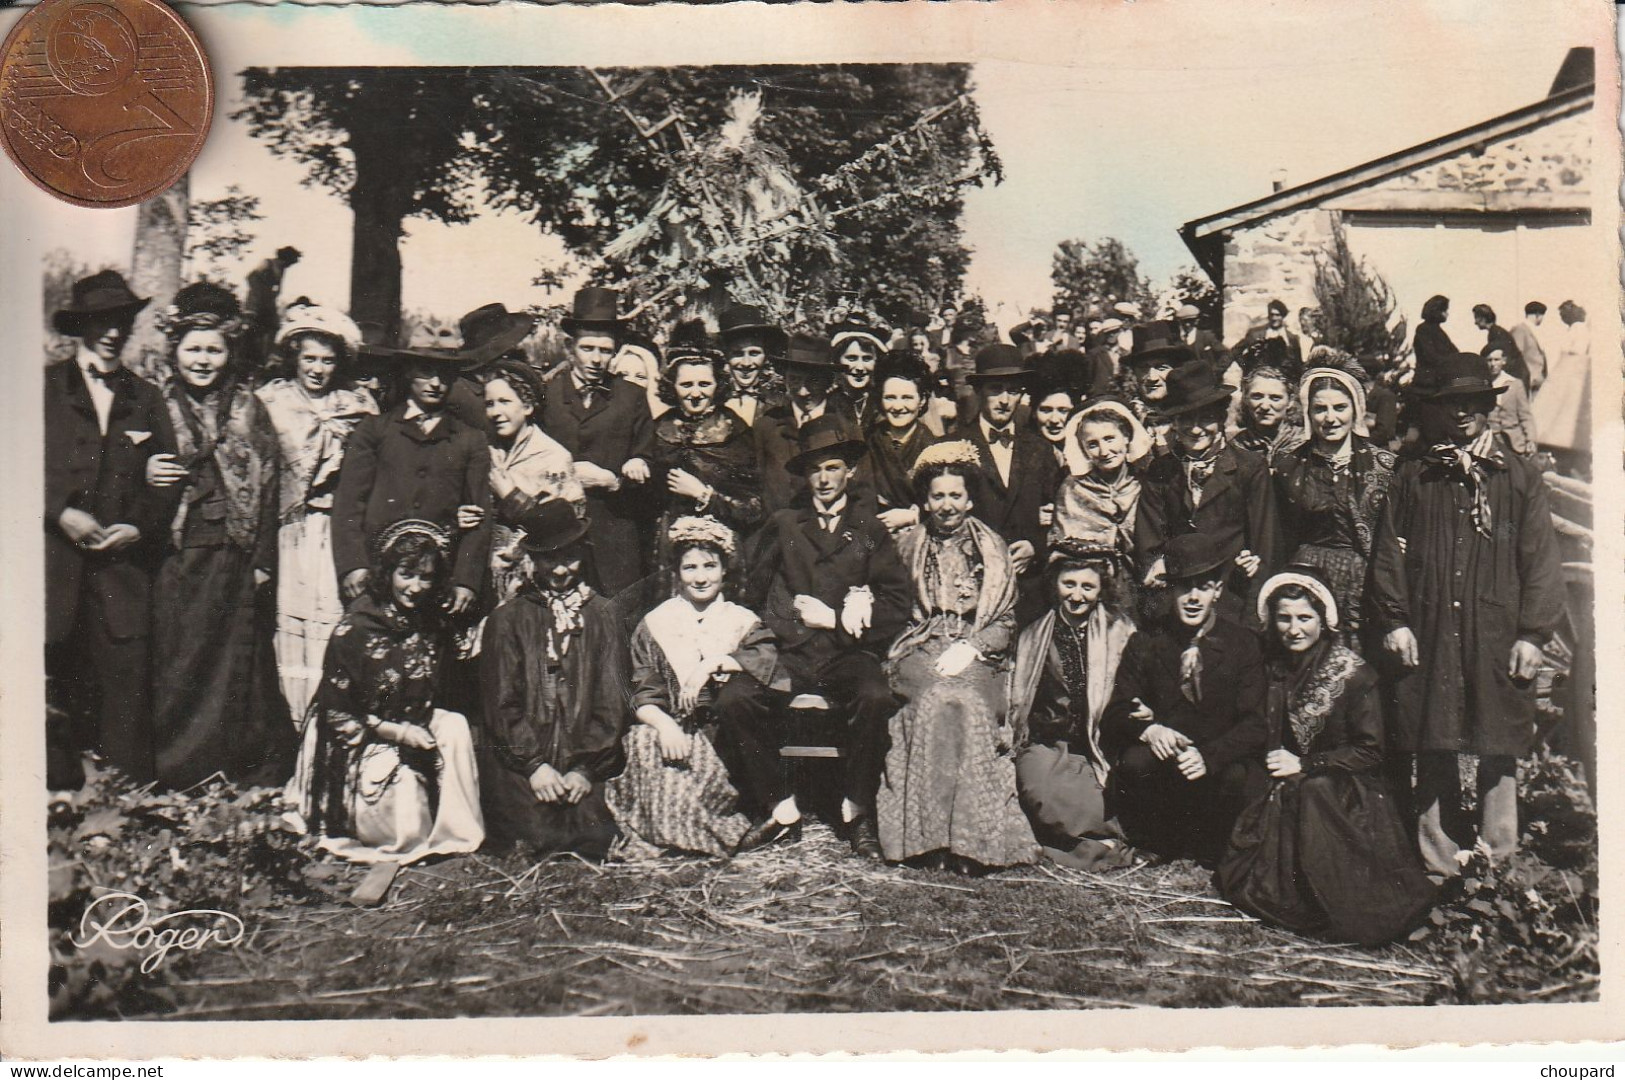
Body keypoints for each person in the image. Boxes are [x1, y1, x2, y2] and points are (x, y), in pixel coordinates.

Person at [1370, 352, 1565, 880]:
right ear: (1440, 409)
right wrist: (1396, 619)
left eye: (1473, 404)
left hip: (1495, 626)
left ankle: (1496, 856)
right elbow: (1387, 551)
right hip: (1431, 624)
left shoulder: (1517, 477)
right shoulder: (1416, 477)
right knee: (1431, 726)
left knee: (1496, 734)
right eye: (1453, 404)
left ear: (1488, 407)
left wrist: (1532, 633)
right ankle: (1438, 858)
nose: (1462, 415)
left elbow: (1541, 561)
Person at [1215, 570, 1435, 944]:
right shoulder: (1270, 666)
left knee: (1315, 792)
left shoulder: (1354, 674)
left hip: (1345, 788)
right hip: (1286, 783)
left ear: (1324, 620)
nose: (1294, 629)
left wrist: (1306, 765)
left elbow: (1369, 751)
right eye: (1284, 618)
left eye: (1305, 618)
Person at [727, 416, 910, 858]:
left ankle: (855, 809)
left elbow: (898, 605)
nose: (824, 479)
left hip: (846, 654)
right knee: (734, 699)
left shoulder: (870, 528)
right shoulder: (786, 524)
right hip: (789, 653)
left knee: (874, 697)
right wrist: (792, 623)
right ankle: (780, 808)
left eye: (832, 468)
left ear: (849, 472)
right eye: (815, 470)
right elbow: (754, 594)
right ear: (804, 476)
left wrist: (838, 622)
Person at [142, 282, 292, 791]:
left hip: (232, 553)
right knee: (179, 661)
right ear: (175, 349)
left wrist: (263, 559)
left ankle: (221, 773)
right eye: (193, 348)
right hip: (174, 556)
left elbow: (272, 487)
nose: (203, 360)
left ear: (229, 353)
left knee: (232, 666)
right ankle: (170, 770)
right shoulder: (150, 402)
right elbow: (121, 469)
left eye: (214, 350)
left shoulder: (251, 410)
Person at [875, 441, 1040, 872]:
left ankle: (973, 843)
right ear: (924, 501)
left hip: (977, 649)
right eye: (937, 496)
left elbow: (1005, 620)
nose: (946, 506)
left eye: (955, 496)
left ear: (969, 498)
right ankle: (927, 840)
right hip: (919, 645)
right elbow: (891, 608)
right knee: (934, 699)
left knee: (965, 702)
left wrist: (974, 645)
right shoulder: (907, 545)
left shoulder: (992, 547)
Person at [45, 270, 178, 789]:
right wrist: (59, 513)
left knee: (124, 699)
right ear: (81, 326)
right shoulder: (45, 387)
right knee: (54, 696)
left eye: (121, 321)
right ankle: (52, 812)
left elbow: (167, 478)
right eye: (101, 321)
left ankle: (125, 820)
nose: (112, 332)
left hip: (121, 576)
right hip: (55, 574)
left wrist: (138, 529)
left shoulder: (145, 397)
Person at [289, 520, 484, 863]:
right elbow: (337, 714)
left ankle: (457, 834)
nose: (416, 587)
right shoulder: (356, 628)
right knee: (406, 824)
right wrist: (399, 733)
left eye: (426, 577)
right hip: (355, 739)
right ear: (388, 572)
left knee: (454, 726)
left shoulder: (431, 622)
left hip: (410, 723)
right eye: (406, 574)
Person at [605, 517, 788, 858]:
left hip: (725, 738)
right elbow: (644, 694)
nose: (700, 577)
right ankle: (674, 832)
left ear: (724, 570)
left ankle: (699, 830)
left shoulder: (742, 621)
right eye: (690, 567)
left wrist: (712, 663)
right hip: (674, 728)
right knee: (644, 742)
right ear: (677, 572)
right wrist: (665, 726)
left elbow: (769, 665)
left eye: (709, 566)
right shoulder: (656, 623)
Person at [1101, 532, 1268, 865]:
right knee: (1136, 762)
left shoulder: (1242, 644)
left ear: (1218, 591)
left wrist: (1209, 755)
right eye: (1183, 587)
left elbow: (1255, 724)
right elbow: (1116, 711)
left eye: (1203, 587)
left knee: (1238, 776)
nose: (1193, 598)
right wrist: (1150, 732)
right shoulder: (1148, 641)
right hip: (1168, 768)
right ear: (1170, 590)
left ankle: (1212, 848)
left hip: (1214, 765)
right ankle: (1157, 843)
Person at [479, 500, 630, 859]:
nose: (561, 570)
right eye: (549, 559)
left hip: (588, 760)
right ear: (531, 559)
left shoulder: (604, 615)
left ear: (582, 552)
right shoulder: (507, 620)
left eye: (569, 557)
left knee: (591, 833)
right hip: (523, 762)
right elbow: (501, 704)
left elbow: (612, 703)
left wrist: (583, 769)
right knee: (534, 836)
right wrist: (534, 766)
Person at [256, 301, 379, 721]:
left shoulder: (358, 405)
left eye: (327, 360)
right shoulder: (270, 402)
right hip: (286, 530)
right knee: (289, 623)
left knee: (330, 619)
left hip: (335, 530)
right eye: (309, 358)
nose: (317, 369)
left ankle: (330, 722)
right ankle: (291, 727)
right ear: (294, 357)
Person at [332, 342, 493, 619]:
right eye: (426, 372)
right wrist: (353, 565)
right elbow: (349, 504)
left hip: (436, 580)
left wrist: (466, 580)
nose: (435, 383)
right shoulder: (375, 430)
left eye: (444, 375)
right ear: (408, 373)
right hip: (376, 571)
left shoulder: (470, 439)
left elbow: (480, 516)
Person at [1006, 541, 1137, 869]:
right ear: (1055, 585)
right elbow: (1017, 696)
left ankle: (1091, 841)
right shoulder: (1035, 634)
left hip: (1102, 744)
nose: (1077, 596)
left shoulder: (1120, 632)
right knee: (1041, 794)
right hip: (1049, 742)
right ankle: (1099, 841)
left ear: (1101, 590)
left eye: (1087, 587)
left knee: (1111, 796)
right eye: (1069, 584)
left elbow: (1136, 686)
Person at [1135, 359, 1279, 620]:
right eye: (1186, 419)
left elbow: (1263, 547)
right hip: (1176, 599)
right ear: (1174, 423)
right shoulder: (1161, 469)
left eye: (1206, 418)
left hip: (1231, 599)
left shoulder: (1249, 468)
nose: (1196, 428)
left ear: (1222, 418)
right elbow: (1148, 540)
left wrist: (1252, 617)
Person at [539, 287, 655, 596]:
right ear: (569, 347)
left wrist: (621, 476)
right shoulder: (545, 396)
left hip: (614, 535)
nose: (596, 359)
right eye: (587, 348)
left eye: (605, 350)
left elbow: (650, 457)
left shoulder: (631, 396)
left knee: (616, 623)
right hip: (557, 534)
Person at [1272, 366, 1394, 654]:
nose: (1330, 418)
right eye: (1320, 409)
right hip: (1307, 576)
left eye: (1339, 407)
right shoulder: (1289, 465)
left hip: (1364, 580)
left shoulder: (1384, 465)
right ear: (1308, 413)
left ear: (1356, 409)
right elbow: (1281, 532)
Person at [459, 358, 584, 610]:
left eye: (505, 402)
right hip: (480, 573)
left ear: (527, 406)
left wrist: (512, 497)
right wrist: (460, 515)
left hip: (532, 578)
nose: (495, 412)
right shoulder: (483, 449)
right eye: (489, 404)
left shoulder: (552, 456)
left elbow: (569, 523)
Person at [951, 344, 1058, 582]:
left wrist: (1035, 546)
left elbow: (1058, 514)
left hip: (1028, 583)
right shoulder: (953, 446)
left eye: (1013, 391)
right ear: (978, 391)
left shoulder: (1040, 449)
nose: (1005, 400)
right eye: (996, 389)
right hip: (971, 578)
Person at [647, 339, 764, 556]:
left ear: (717, 385)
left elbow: (753, 508)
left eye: (704, 384)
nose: (695, 393)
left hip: (720, 545)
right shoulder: (659, 429)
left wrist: (703, 495)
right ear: (672, 385)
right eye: (686, 385)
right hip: (666, 546)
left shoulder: (735, 431)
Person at [754, 332, 863, 515]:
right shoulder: (767, 427)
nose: (803, 392)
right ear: (786, 380)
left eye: (813, 381)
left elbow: (862, 493)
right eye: (795, 380)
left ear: (828, 381)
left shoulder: (847, 429)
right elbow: (756, 488)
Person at [865, 356, 940, 532]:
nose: (898, 407)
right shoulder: (868, 441)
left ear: (921, 400)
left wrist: (914, 515)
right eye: (890, 398)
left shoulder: (935, 448)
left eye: (907, 398)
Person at [1531, 301, 1591, 476]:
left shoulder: (1579, 329)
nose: (1562, 317)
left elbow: (1577, 354)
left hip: (1572, 377)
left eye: (1563, 313)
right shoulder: (1573, 329)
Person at [1118, 321, 1186, 458]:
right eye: (1143, 368)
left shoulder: (1191, 417)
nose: (1152, 377)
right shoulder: (1124, 419)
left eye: (1161, 367)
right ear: (1134, 373)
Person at [717, 304, 787, 429]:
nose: (746, 363)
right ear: (726, 355)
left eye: (754, 353)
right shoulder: (713, 401)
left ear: (765, 355)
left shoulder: (780, 403)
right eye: (738, 353)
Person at [243, 245, 302, 373]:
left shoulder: (282, 269)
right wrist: (262, 293)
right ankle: (249, 363)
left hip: (268, 305)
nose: (290, 265)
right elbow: (251, 277)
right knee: (251, 333)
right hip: (256, 304)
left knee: (273, 330)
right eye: (290, 261)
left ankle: (266, 362)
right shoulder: (267, 263)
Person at [1232, 366, 1304, 466]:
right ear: (1245, 399)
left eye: (1275, 398)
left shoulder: (1305, 443)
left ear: (1290, 401)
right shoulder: (1236, 446)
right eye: (1257, 397)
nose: (1265, 406)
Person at [829, 316, 889, 429]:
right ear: (837, 362)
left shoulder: (884, 403)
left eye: (867, 359)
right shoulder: (828, 405)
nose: (860, 367)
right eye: (851, 358)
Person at [1234, 299, 1303, 383]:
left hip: (1283, 381)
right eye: (1271, 315)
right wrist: (1246, 366)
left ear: (1283, 316)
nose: (1274, 318)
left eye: (1277, 315)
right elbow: (1235, 351)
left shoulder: (1292, 338)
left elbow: (1297, 363)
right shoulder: (1255, 333)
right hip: (1257, 379)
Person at [1485, 347, 1537, 455]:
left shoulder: (1515, 384)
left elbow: (1525, 415)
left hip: (1514, 442)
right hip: (1490, 441)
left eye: (1496, 360)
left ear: (1503, 361)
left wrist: (1530, 439)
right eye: (1489, 360)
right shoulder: (1483, 384)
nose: (1493, 364)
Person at [1472, 303, 1529, 392]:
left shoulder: (1495, 333)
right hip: (1518, 375)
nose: (1475, 322)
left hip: (1516, 377)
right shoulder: (1496, 331)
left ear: (1483, 318)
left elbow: (1503, 358)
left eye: (1476, 318)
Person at [1410, 294, 1456, 390]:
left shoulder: (1439, 331)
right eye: (1445, 311)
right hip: (1427, 383)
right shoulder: (1423, 329)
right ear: (1437, 312)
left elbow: (1454, 352)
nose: (1447, 314)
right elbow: (1430, 355)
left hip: (1440, 378)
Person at [1510, 301, 1548, 394]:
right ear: (1538, 315)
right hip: (1528, 380)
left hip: (1536, 380)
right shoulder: (1520, 329)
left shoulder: (1532, 330)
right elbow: (1517, 355)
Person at [1175, 303, 1227, 367]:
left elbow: (1226, 355)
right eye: (1184, 321)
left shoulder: (1207, 337)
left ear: (1196, 321)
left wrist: (1215, 371)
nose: (1187, 325)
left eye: (1190, 321)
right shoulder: (1179, 341)